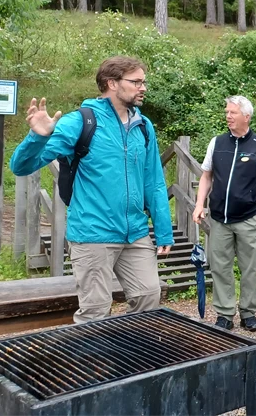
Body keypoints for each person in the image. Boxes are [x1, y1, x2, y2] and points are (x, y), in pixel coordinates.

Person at [10, 56, 173, 323]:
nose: (143, 87)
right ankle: (93, 363)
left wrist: (164, 231)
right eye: (136, 82)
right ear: (112, 83)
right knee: (95, 310)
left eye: (144, 81)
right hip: (93, 233)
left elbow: (153, 181)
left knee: (148, 297)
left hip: (135, 233)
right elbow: (21, 166)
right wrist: (38, 136)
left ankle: (131, 357)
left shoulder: (143, 126)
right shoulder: (80, 122)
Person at [193, 96, 256, 332]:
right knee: (219, 267)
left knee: (250, 268)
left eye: (233, 112)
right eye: (227, 112)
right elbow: (206, 176)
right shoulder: (217, 142)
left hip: (250, 217)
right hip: (220, 219)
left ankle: (248, 313)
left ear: (246, 116)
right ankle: (224, 313)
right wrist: (200, 204)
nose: (228, 116)